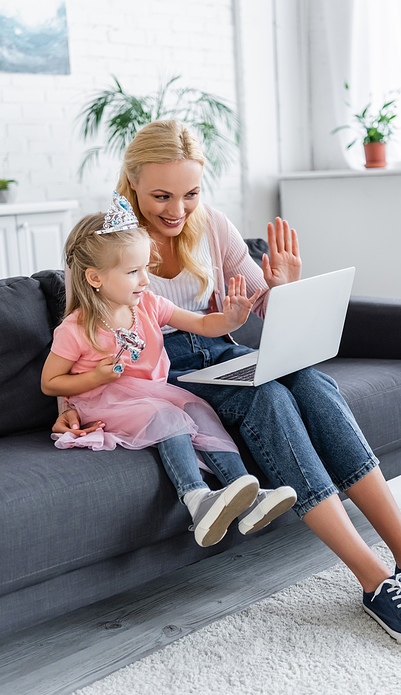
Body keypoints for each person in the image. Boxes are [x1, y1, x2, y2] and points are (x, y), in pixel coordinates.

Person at [54, 120, 401, 649]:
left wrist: (281, 287)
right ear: (132, 182)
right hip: (168, 373)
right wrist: (69, 399)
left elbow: (258, 303)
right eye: (161, 195)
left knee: (313, 382)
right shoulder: (109, 240)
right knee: (270, 399)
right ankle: (375, 582)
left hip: (223, 351)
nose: (176, 210)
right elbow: (79, 330)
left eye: (189, 194)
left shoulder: (208, 224)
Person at [42, 196, 297, 549]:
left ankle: (247, 494)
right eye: (133, 272)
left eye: (146, 268)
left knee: (199, 411)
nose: (145, 280)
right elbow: (50, 382)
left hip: (150, 392)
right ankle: (196, 498)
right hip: (101, 402)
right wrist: (96, 377)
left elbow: (201, 322)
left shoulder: (147, 305)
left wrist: (231, 319)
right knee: (166, 415)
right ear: (94, 278)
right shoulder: (76, 328)